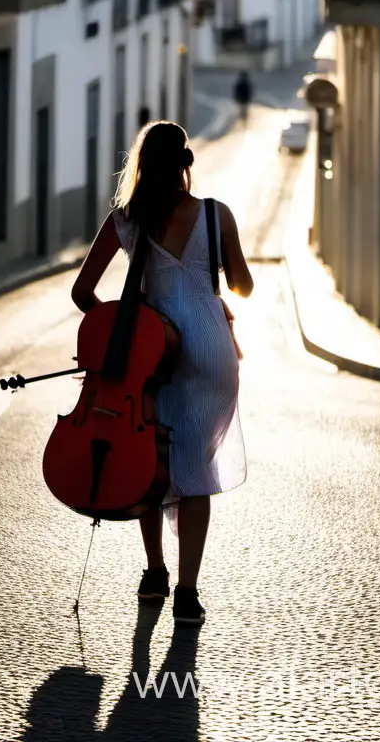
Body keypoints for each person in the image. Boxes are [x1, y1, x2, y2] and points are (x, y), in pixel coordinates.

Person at [70, 121, 254, 625]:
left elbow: (82, 293)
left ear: (141, 163)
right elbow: (243, 286)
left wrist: (118, 327)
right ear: (185, 164)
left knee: (146, 458)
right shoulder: (216, 216)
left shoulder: (124, 221)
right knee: (195, 471)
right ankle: (189, 593)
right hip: (210, 354)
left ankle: (155, 573)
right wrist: (217, 265)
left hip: (149, 351)